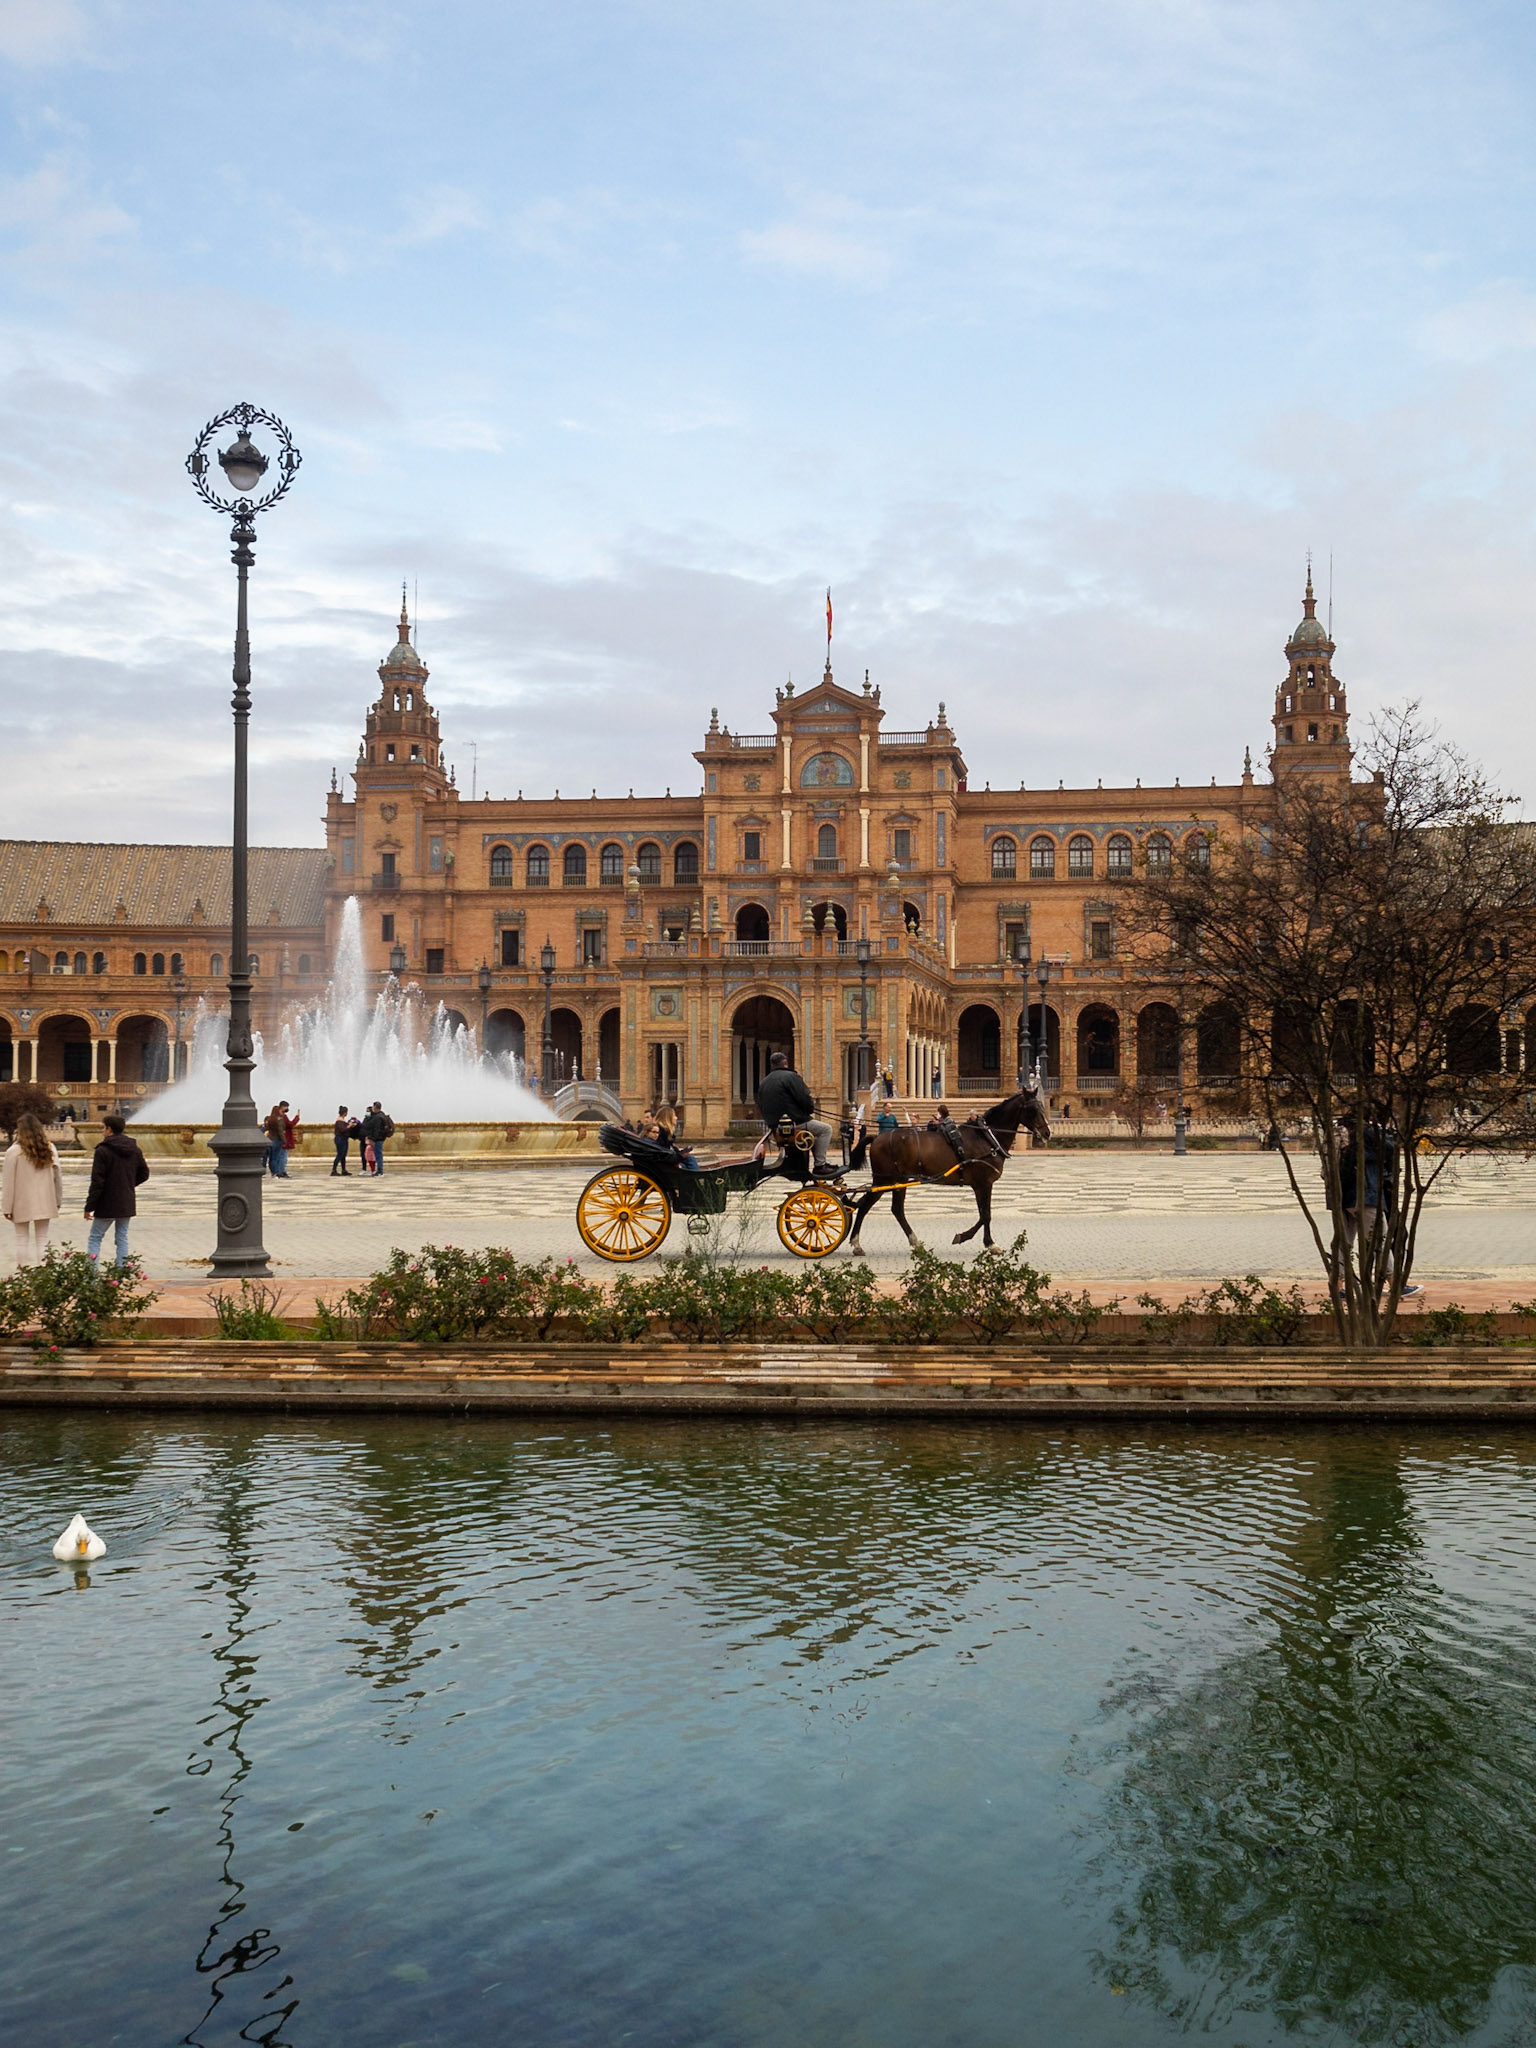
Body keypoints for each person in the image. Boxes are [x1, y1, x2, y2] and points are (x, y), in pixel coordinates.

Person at [1338, 1109, 1421, 1297]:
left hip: (1342, 1196)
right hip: (1366, 1195)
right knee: (1381, 1240)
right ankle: (1395, 1285)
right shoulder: (1368, 1133)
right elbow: (1392, 1149)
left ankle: (1338, 1287)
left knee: (1344, 1243)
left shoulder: (1342, 1133)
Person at [754, 1050, 837, 1177]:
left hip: (776, 1126)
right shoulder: (791, 1077)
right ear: (785, 1063)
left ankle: (817, 1162)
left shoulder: (765, 1081)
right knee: (826, 1129)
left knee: (814, 1138)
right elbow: (804, 1098)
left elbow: (760, 1103)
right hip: (794, 1124)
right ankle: (820, 1165)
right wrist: (808, 1110)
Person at [84, 1112, 149, 1267]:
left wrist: (89, 1207)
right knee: (122, 1237)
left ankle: (91, 1275)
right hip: (126, 1200)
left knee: (95, 1237)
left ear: (109, 1129)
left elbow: (97, 1181)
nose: (102, 1131)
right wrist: (127, 1184)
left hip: (106, 1202)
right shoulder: (134, 1149)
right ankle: (121, 1272)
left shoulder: (102, 1150)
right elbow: (144, 1173)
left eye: (103, 1128)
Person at [3, 1110, 63, 1266]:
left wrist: (7, 1207)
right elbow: (58, 1177)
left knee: (21, 1239)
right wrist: (57, 1200)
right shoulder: (50, 1149)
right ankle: (42, 1273)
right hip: (45, 1199)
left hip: (21, 1201)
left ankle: (23, 1274)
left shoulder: (13, 1152)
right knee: (42, 1238)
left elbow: (8, 1181)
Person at [360, 1101, 394, 1175]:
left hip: (378, 1139)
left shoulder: (378, 1117)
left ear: (375, 1107)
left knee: (378, 1155)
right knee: (378, 1154)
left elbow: (376, 1129)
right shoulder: (381, 1115)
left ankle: (379, 1171)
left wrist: (372, 1138)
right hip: (380, 1138)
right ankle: (379, 1170)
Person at [331, 1106, 356, 1177]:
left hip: (344, 1139)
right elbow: (343, 1130)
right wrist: (349, 1126)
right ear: (345, 1113)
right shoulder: (339, 1121)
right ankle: (334, 1170)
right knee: (340, 1154)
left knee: (343, 1155)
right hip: (340, 1139)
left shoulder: (342, 1120)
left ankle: (343, 1169)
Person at [264, 1105, 287, 1178]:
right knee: (276, 1157)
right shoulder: (279, 1119)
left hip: (270, 1139)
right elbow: (280, 1131)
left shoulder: (270, 1119)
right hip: (277, 1140)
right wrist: (284, 1141)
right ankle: (275, 1172)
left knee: (271, 1158)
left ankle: (272, 1172)